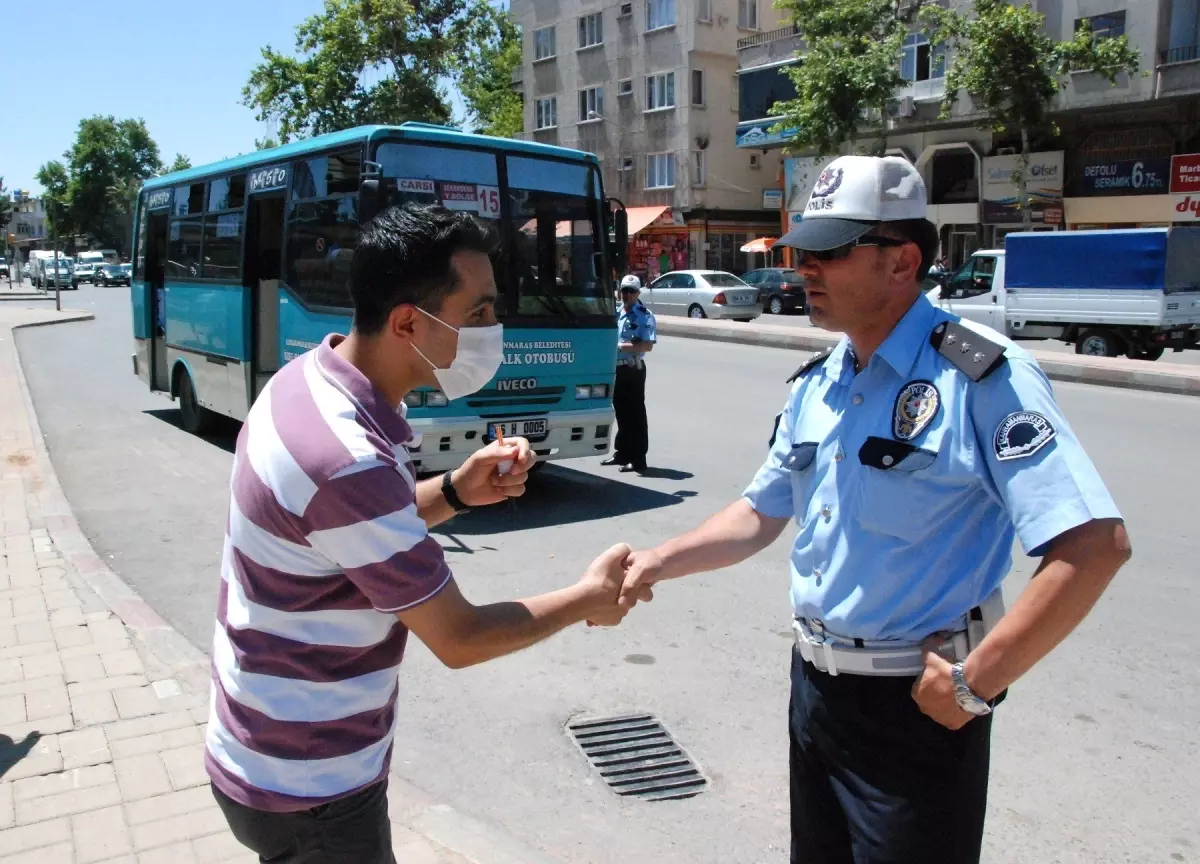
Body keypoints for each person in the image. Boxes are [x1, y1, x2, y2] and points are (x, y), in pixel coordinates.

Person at [618, 155, 1131, 863]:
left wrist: (975, 685)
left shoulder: (980, 377)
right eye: (803, 250)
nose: (804, 268)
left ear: (902, 261)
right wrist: (656, 560)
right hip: (816, 694)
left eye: (829, 252)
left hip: (915, 709)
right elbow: (760, 513)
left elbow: (1094, 545)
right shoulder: (820, 380)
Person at [207, 204, 650, 864]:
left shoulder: (305, 380)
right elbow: (459, 637)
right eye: (479, 312)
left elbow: (346, 536)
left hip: (262, 749)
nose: (494, 330)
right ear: (408, 322)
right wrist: (587, 598)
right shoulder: (346, 458)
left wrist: (455, 491)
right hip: (311, 784)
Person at [602, 274, 656, 474]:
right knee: (620, 411)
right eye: (624, 290)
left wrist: (620, 346)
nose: (627, 294)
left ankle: (638, 458)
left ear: (638, 293)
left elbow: (647, 345)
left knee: (636, 414)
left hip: (633, 368)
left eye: (631, 291)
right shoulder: (616, 313)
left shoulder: (644, 315)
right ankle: (622, 453)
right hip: (616, 368)